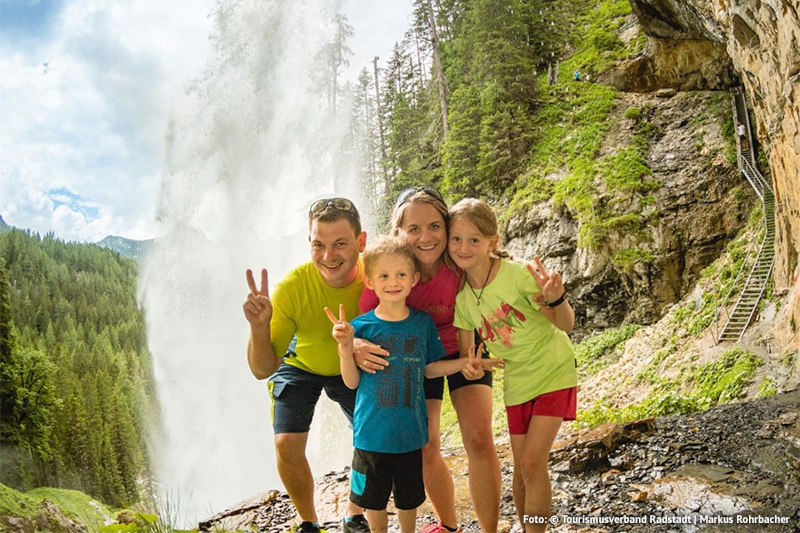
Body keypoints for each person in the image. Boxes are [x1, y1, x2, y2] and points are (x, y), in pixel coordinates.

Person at [355, 187, 502, 533]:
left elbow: (495, 268)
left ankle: (491, 528)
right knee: (426, 444)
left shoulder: (457, 261)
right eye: (414, 228)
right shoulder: (390, 270)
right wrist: (357, 346)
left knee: (479, 437)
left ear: (447, 229)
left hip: (467, 349)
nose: (426, 237)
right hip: (416, 355)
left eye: (435, 226)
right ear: (399, 233)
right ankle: (449, 526)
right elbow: (366, 323)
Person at [447, 198, 578, 533]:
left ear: (492, 242)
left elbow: (565, 324)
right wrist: (473, 369)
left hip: (553, 370)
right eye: (456, 239)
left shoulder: (518, 275)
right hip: (517, 381)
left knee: (534, 462)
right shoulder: (463, 299)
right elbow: (469, 359)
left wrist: (557, 298)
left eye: (473, 240)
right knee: (522, 471)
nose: (463, 247)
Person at [242, 197, 371, 533]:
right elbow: (262, 368)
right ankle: (308, 521)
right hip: (300, 363)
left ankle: (354, 513)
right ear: (309, 244)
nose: (328, 257)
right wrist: (259, 327)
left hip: (353, 362)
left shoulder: (377, 276)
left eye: (340, 244)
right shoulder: (292, 288)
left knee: (374, 434)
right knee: (286, 443)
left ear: (361, 241)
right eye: (319, 245)